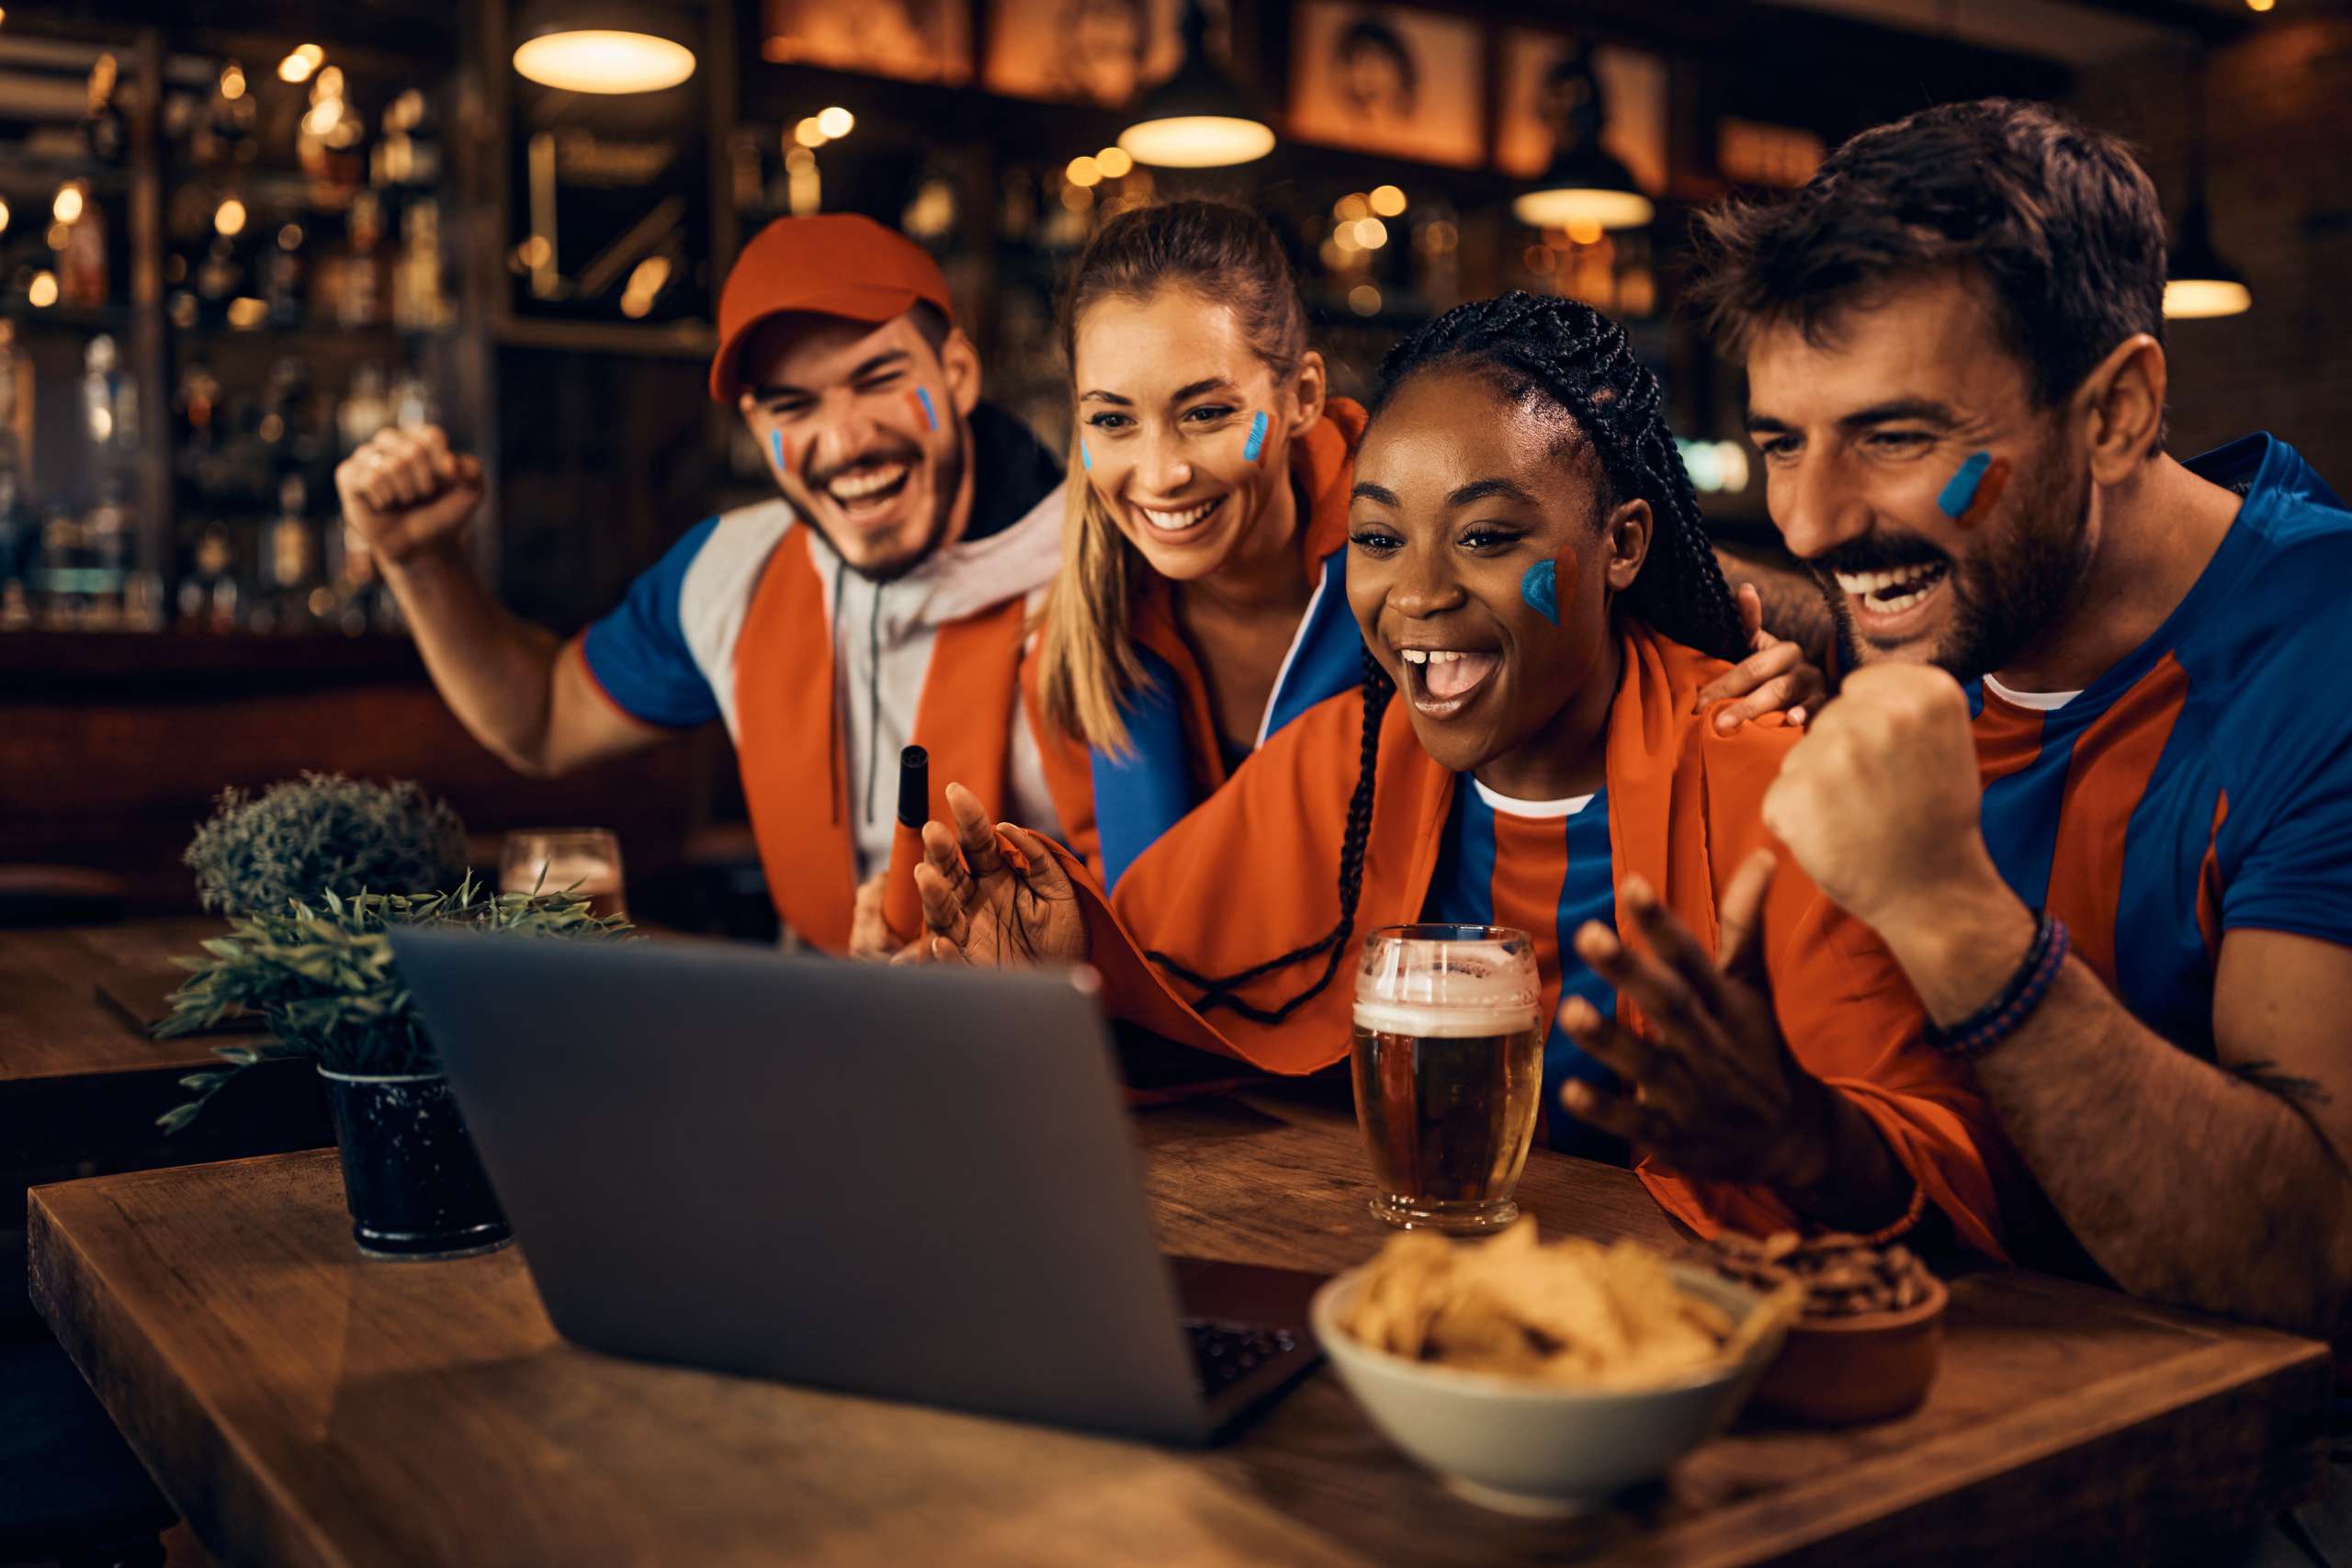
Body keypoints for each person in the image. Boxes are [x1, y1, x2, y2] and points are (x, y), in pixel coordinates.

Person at [909, 292, 2013, 1251]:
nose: (1416, 598)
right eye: (1379, 541)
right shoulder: (1341, 758)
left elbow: (1954, 1175)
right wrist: (1057, 963)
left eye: (1484, 539)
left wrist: (1808, 1142)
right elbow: (1159, 984)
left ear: (1623, 546)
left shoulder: (1772, 786)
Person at [1688, 99, 2352, 1340]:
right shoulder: (1952, 614)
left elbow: (2315, 1252)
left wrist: (1945, 905)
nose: (1815, 520)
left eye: (1893, 434)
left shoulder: (2325, 661)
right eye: (1783, 441)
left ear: (2114, 414)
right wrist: (1811, 1137)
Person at [1022, 199, 1821, 898]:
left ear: (1301, 396)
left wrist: (1802, 666)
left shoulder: (1421, 490)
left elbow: (1640, 558)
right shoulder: (1071, 648)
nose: (1161, 472)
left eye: (1206, 413)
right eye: (1112, 420)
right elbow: (1113, 923)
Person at [334, 214, 1066, 952]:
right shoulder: (733, 570)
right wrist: (422, 563)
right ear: (755, 424)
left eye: (878, 379)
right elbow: (544, 719)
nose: (844, 441)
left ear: (959, 376)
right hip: (831, 1024)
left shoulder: (1094, 569)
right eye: (794, 404)